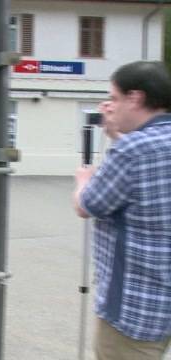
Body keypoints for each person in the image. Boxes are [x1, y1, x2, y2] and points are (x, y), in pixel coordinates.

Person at [73, 61, 171, 359]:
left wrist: (83, 181)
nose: (110, 106)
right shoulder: (140, 146)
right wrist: (118, 137)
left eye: (114, 98)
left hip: (134, 308)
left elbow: (87, 205)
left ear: (135, 98)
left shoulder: (130, 151)